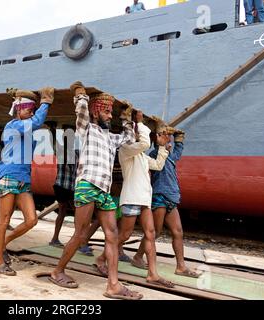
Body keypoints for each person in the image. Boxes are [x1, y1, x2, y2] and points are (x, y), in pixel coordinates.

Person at [49, 81, 143, 300]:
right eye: (107, 112)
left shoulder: (110, 138)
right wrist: (80, 96)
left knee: (113, 235)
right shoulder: (87, 129)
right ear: (96, 111)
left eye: (111, 113)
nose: (110, 116)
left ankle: (113, 285)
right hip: (87, 186)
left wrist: (126, 118)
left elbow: (129, 138)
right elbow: (81, 113)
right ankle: (57, 271)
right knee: (81, 234)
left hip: (103, 190)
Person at [104, 110, 174, 288]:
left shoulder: (142, 156)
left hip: (144, 200)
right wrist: (140, 122)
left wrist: (162, 148)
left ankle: (153, 274)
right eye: (135, 132)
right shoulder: (126, 150)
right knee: (125, 235)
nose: (138, 134)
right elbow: (143, 143)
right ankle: (101, 258)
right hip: (131, 198)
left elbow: (158, 165)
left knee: (150, 234)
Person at [0, 87, 55, 276]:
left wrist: (47, 130)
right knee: (4, 221)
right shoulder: (12, 126)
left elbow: (36, 141)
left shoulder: (26, 130)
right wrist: (46, 102)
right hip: (9, 176)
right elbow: (36, 122)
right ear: (18, 109)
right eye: (28, 108)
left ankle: (2, 243)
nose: (31, 111)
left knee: (31, 220)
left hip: (23, 180)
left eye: (33, 108)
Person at [132, 128, 201, 279]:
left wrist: (179, 138)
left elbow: (178, 152)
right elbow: (157, 165)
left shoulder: (169, 154)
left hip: (172, 197)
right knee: (155, 232)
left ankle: (181, 267)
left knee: (178, 232)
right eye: (163, 136)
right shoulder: (153, 154)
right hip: (159, 196)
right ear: (156, 139)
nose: (167, 138)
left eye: (168, 136)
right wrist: (163, 146)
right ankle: (138, 257)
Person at [48, 124, 78, 248]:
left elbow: (53, 142)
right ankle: (80, 241)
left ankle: (55, 238)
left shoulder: (62, 149)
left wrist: (53, 130)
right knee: (78, 213)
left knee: (62, 212)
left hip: (60, 185)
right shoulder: (73, 152)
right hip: (68, 187)